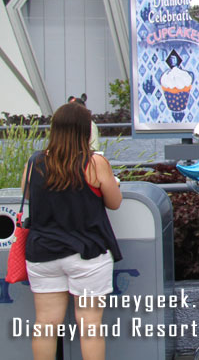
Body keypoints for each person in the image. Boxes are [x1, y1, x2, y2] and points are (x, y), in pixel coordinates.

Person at [23, 102, 122, 360]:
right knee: (89, 326)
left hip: (43, 252)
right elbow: (114, 202)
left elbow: (27, 193)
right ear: (85, 131)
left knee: (45, 323)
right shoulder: (95, 162)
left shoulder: (35, 162)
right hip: (87, 254)